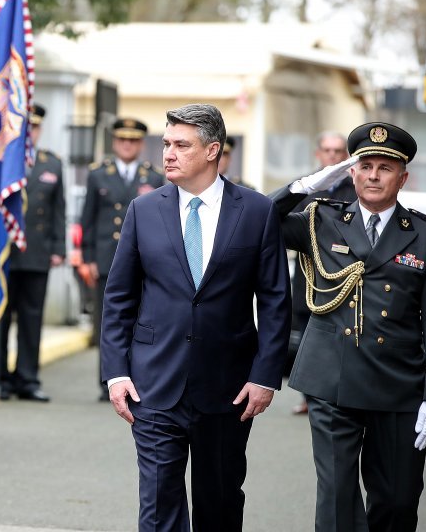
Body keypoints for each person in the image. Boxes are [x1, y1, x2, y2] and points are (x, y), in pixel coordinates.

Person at [102, 103, 291, 532]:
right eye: (166, 143)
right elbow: (118, 299)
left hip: (229, 389)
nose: (167, 153)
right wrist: (115, 373)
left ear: (213, 151)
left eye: (181, 145)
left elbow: (277, 301)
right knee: (157, 505)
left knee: (220, 504)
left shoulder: (257, 211)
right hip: (153, 386)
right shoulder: (143, 210)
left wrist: (265, 376)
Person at [270, 122, 426, 531]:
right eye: (365, 166)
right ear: (351, 172)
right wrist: (302, 186)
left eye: (385, 167)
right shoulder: (321, 219)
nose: (373, 175)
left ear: (402, 177)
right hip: (332, 378)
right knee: (337, 495)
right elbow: (254, 221)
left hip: (399, 383)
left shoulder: (423, 235)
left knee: (397, 500)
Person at [80, 117, 164, 401]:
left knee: (140, 319)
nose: (127, 145)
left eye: (133, 140)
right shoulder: (97, 174)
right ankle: (108, 380)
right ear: (115, 142)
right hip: (106, 258)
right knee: (108, 320)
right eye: (122, 140)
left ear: (141, 144)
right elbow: (87, 219)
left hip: (143, 259)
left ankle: (136, 378)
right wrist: (87, 257)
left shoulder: (153, 176)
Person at [0, 104, 66, 402]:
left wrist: (59, 248)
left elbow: (58, 211)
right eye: (26, 127)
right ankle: (1, 377)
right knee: (2, 317)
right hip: (5, 253)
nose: (31, 133)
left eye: (35, 128)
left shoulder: (52, 163)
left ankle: (27, 378)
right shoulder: (0, 158)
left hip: (37, 252)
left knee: (31, 318)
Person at [288, 131, 357, 415]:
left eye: (338, 151)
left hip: (343, 280)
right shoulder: (308, 186)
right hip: (308, 279)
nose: (332, 156)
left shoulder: (355, 189)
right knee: (307, 337)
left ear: (345, 157)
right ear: (318, 154)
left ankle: (337, 394)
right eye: (327, 150)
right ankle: (309, 396)